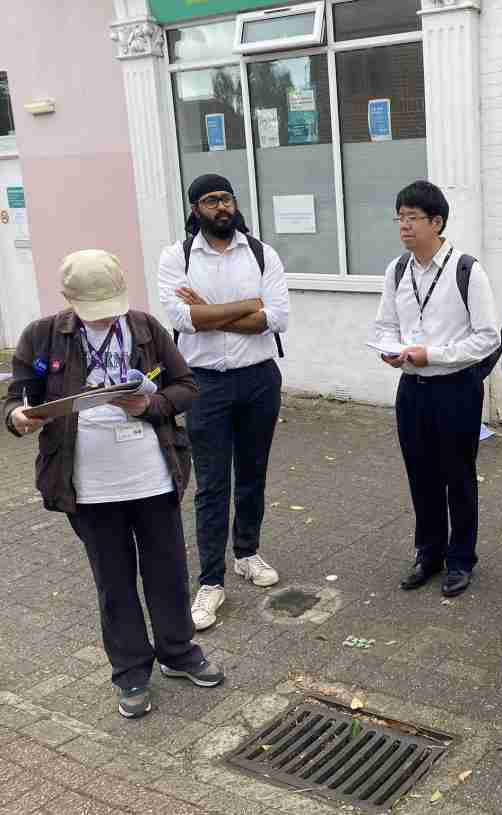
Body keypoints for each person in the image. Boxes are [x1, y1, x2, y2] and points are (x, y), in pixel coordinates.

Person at [3, 250, 224, 719]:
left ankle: (179, 654)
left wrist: (153, 406)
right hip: (90, 486)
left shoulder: (145, 327)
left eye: (112, 303)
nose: (105, 314)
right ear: (68, 299)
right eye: (93, 306)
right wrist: (17, 417)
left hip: (152, 476)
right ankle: (130, 673)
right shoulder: (42, 336)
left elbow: (185, 386)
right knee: (114, 581)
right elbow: (17, 397)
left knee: (167, 572)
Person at [158, 174, 290, 631]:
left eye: (227, 198)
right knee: (213, 484)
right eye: (211, 200)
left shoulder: (260, 252)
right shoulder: (176, 257)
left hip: (259, 380)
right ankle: (211, 580)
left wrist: (211, 312)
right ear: (196, 208)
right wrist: (246, 305)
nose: (221, 207)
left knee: (252, 474)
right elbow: (182, 319)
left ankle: (247, 553)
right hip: (204, 385)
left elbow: (277, 318)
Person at [372, 180, 500, 598]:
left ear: (437, 222)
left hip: (456, 388)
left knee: (457, 476)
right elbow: (385, 324)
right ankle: (428, 554)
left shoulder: (466, 269)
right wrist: (390, 349)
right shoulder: (397, 270)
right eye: (400, 218)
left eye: (413, 218)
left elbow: (487, 338)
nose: (404, 226)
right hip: (412, 388)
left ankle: (461, 560)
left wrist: (434, 355)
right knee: (420, 475)